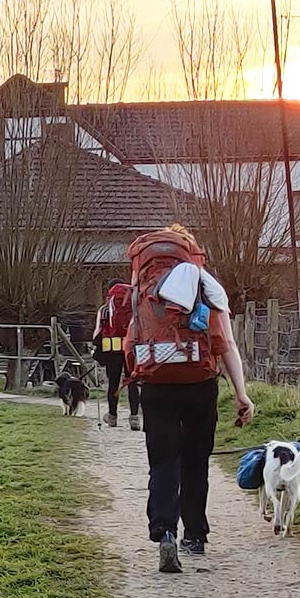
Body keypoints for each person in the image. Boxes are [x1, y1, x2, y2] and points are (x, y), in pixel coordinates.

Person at [122, 225, 253, 574]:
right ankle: (194, 534)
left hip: (156, 383)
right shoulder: (205, 285)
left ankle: (164, 531)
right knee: (196, 460)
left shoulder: (143, 288)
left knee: (163, 461)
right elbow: (227, 344)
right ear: (193, 253)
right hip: (200, 383)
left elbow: (130, 340)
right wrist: (241, 395)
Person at [92, 280, 141, 429]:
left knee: (113, 383)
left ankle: (112, 416)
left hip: (111, 349)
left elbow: (98, 331)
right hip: (131, 349)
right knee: (132, 383)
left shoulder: (105, 308)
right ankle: (134, 418)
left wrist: (97, 350)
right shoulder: (135, 306)